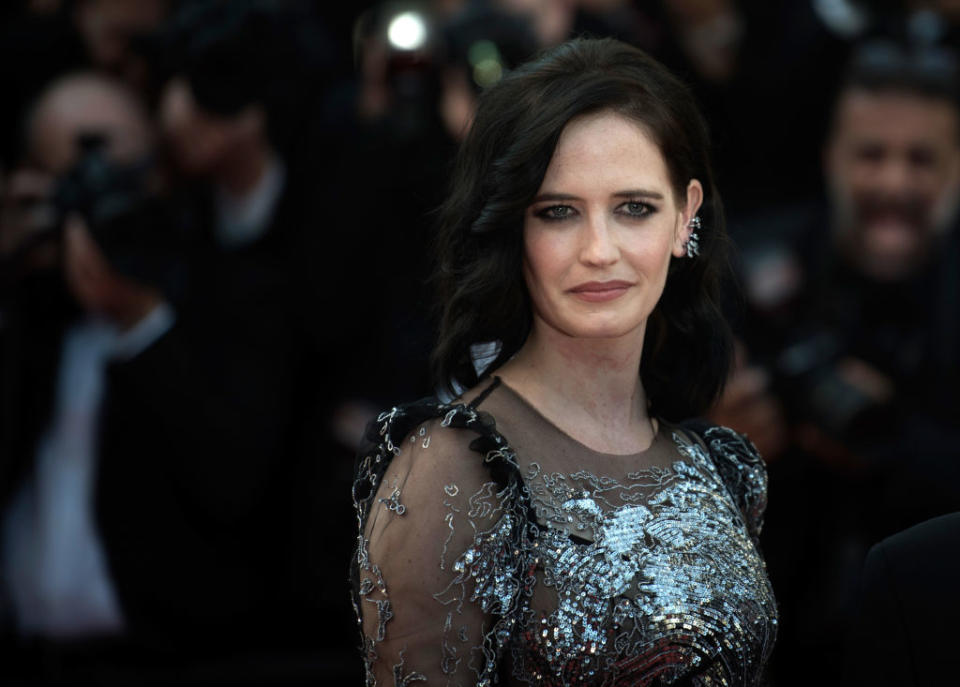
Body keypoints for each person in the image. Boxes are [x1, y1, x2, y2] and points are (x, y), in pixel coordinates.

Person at [350, 38, 778, 686]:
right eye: (558, 212)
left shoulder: (718, 465)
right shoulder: (454, 470)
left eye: (634, 207)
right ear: (511, 227)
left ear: (686, 216)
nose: (599, 249)